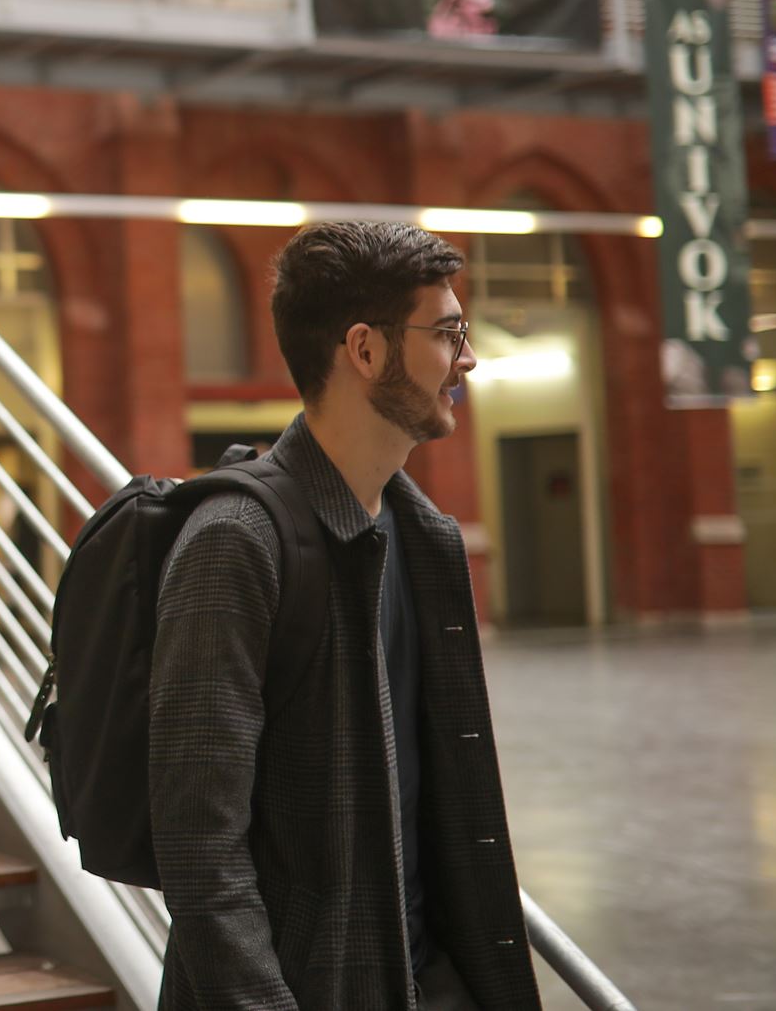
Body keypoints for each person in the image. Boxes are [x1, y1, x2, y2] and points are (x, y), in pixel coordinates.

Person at [149, 220, 541, 1011]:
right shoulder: (235, 542)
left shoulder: (423, 536)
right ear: (364, 350)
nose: (467, 357)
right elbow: (201, 850)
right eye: (448, 332)